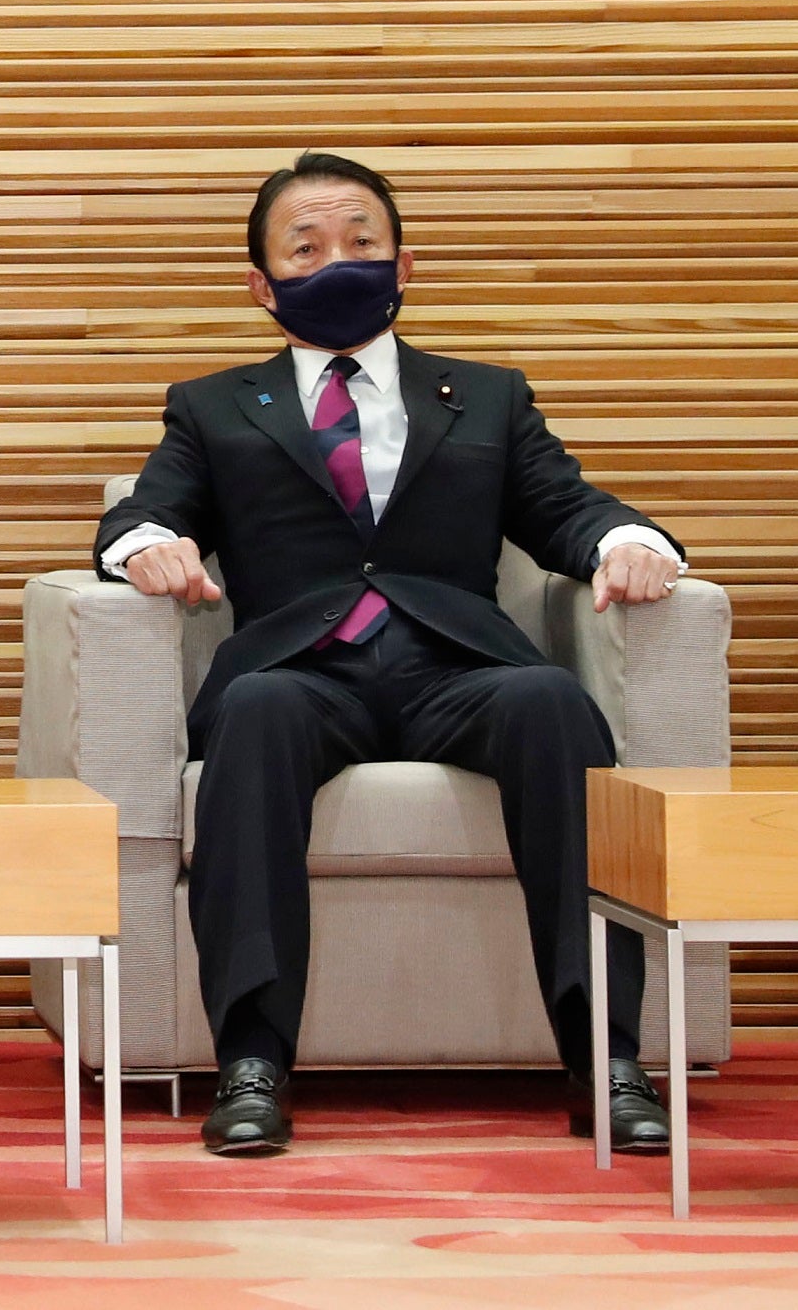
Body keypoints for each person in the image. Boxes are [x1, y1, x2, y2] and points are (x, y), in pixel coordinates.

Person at [98, 151, 683, 1156]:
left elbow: (563, 507)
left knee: (554, 706)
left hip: (457, 662)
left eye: (362, 243)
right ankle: (252, 1063)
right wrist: (148, 546)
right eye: (307, 247)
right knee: (256, 715)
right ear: (261, 283)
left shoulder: (488, 396)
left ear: (404, 264)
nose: (339, 262)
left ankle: (608, 1059)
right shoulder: (213, 406)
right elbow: (150, 511)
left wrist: (628, 541)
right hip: (300, 667)